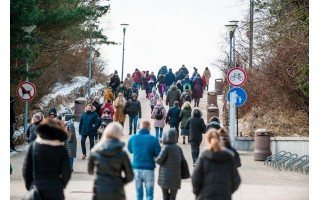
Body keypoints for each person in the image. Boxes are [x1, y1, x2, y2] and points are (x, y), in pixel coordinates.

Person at [22, 118, 72, 200]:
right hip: (56, 191)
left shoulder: (34, 146)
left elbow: (26, 169)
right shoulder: (62, 149)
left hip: (36, 188)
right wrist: (60, 186)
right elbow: (67, 172)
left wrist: (30, 186)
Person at [88, 122, 134, 200]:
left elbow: (90, 171)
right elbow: (130, 176)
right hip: (117, 191)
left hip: (100, 190)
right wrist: (119, 182)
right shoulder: (122, 153)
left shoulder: (95, 151)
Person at [191, 129, 241, 200]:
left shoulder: (203, 157)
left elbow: (195, 179)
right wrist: (228, 191)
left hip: (205, 196)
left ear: (208, 141)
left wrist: (197, 192)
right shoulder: (229, 158)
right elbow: (236, 180)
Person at [128, 120, 161, 200]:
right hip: (149, 168)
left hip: (136, 168)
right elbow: (158, 152)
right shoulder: (154, 139)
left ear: (140, 127)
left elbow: (130, 150)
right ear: (149, 128)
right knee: (149, 194)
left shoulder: (133, 138)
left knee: (139, 195)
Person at [155, 129, 184, 200]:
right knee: (173, 197)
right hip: (176, 177)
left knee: (165, 196)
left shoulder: (165, 148)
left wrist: (154, 158)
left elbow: (159, 161)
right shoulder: (178, 148)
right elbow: (183, 162)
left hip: (164, 177)